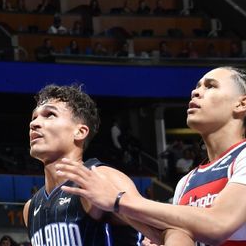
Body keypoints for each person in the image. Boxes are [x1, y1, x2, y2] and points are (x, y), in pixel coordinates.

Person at [56, 66, 246, 246]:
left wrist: (119, 200)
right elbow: (181, 235)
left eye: (211, 86)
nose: (195, 92)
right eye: (197, 87)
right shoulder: (187, 182)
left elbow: (218, 224)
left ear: (241, 103)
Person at [24, 84, 160, 245]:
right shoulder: (30, 208)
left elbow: (167, 228)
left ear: (80, 132)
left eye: (50, 114)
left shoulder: (102, 177)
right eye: (34, 117)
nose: (34, 124)